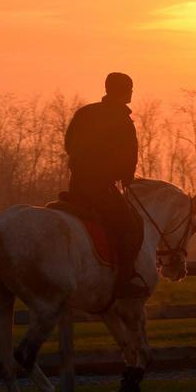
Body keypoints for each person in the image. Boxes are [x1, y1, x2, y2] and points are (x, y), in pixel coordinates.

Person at [65, 72, 148, 299]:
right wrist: (126, 177)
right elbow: (129, 156)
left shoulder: (85, 113)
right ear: (122, 90)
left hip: (76, 186)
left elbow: (68, 144)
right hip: (101, 188)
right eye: (129, 88)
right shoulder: (122, 120)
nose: (132, 92)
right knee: (130, 227)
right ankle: (124, 280)